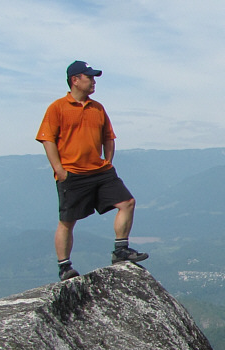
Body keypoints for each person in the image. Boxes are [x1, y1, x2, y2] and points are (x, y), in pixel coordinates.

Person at [36, 60, 148, 281]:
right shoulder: (57, 108)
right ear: (75, 80)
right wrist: (59, 169)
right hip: (72, 172)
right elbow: (47, 139)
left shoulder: (97, 108)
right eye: (89, 77)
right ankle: (64, 267)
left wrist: (108, 162)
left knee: (127, 203)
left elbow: (109, 137)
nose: (94, 81)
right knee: (68, 221)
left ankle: (120, 251)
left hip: (99, 170)